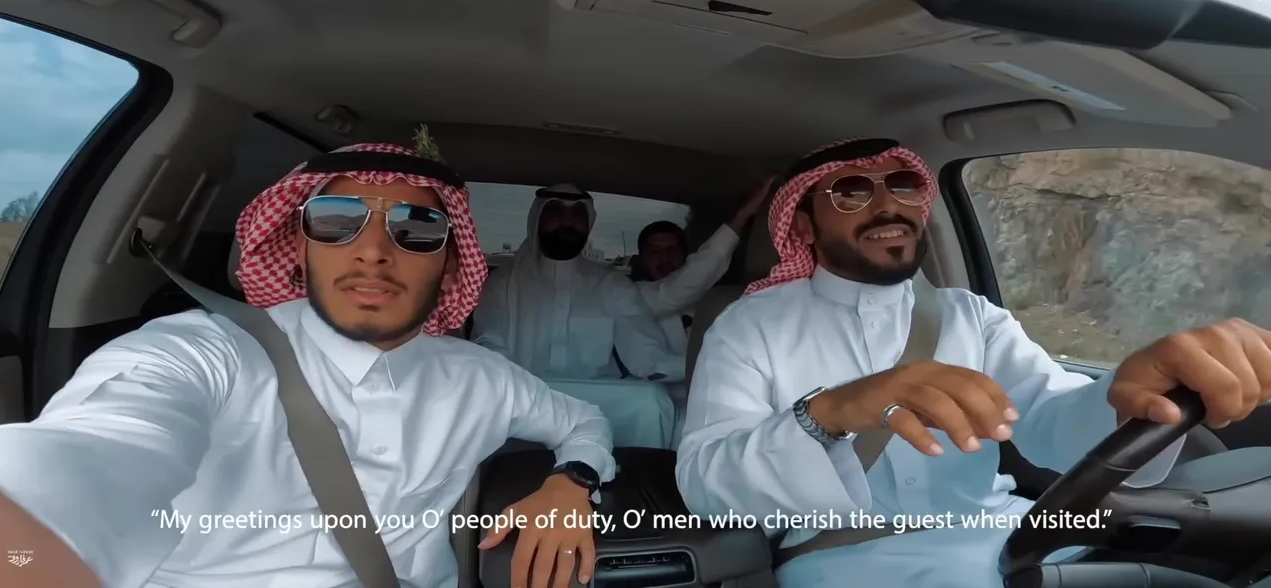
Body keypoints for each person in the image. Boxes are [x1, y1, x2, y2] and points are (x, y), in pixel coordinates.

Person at [0, 136, 615, 588]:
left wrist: (570, 484)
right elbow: (93, 455)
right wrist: (26, 547)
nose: (373, 250)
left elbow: (583, 420)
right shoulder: (203, 354)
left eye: (417, 227)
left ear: (452, 264)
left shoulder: (481, 379)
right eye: (337, 221)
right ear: (299, 247)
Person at [675, 137, 1271, 588]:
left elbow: (1053, 419)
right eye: (852, 192)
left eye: (902, 186)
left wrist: (1126, 396)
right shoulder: (749, 325)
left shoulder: (969, 315)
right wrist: (832, 412)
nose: (888, 206)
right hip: (846, 559)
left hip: (1016, 538)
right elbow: (706, 485)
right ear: (803, 226)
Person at [472, 184, 680, 448]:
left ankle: (637, 475)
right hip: (526, 392)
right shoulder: (503, 282)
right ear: (538, 220)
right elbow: (490, 347)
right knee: (490, 396)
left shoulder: (613, 284)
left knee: (652, 400)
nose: (567, 222)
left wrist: (703, 364)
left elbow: (646, 357)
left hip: (596, 395)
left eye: (577, 215)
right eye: (557, 212)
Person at [632, 177, 775, 357]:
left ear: (687, 255)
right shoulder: (633, 297)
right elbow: (680, 289)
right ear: (641, 258)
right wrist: (742, 216)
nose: (665, 257)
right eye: (655, 251)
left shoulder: (723, 303)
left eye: (672, 250)